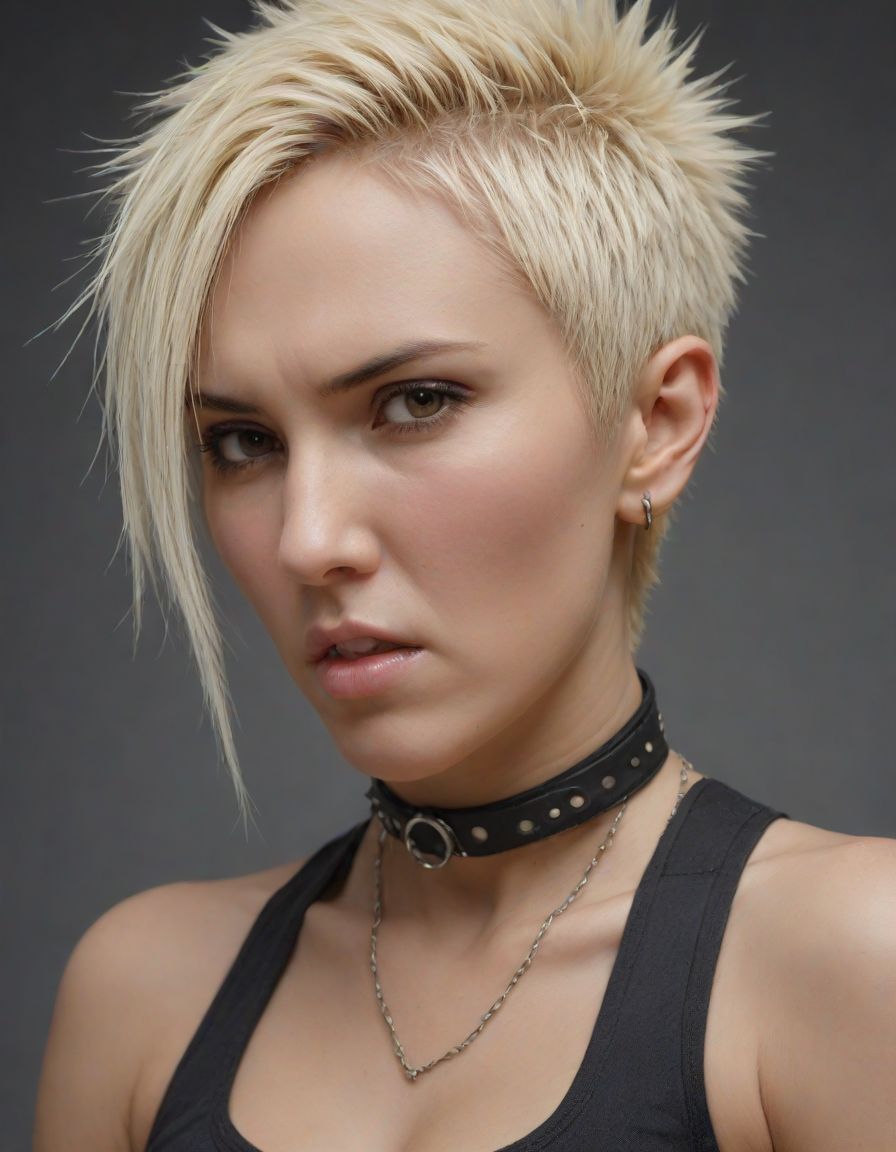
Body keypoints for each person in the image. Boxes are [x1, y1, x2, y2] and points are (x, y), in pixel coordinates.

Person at [34, 1, 895, 1149]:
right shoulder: (143, 996)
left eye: (414, 402)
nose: (307, 540)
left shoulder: (849, 965)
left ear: (654, 423)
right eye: (241, 440)